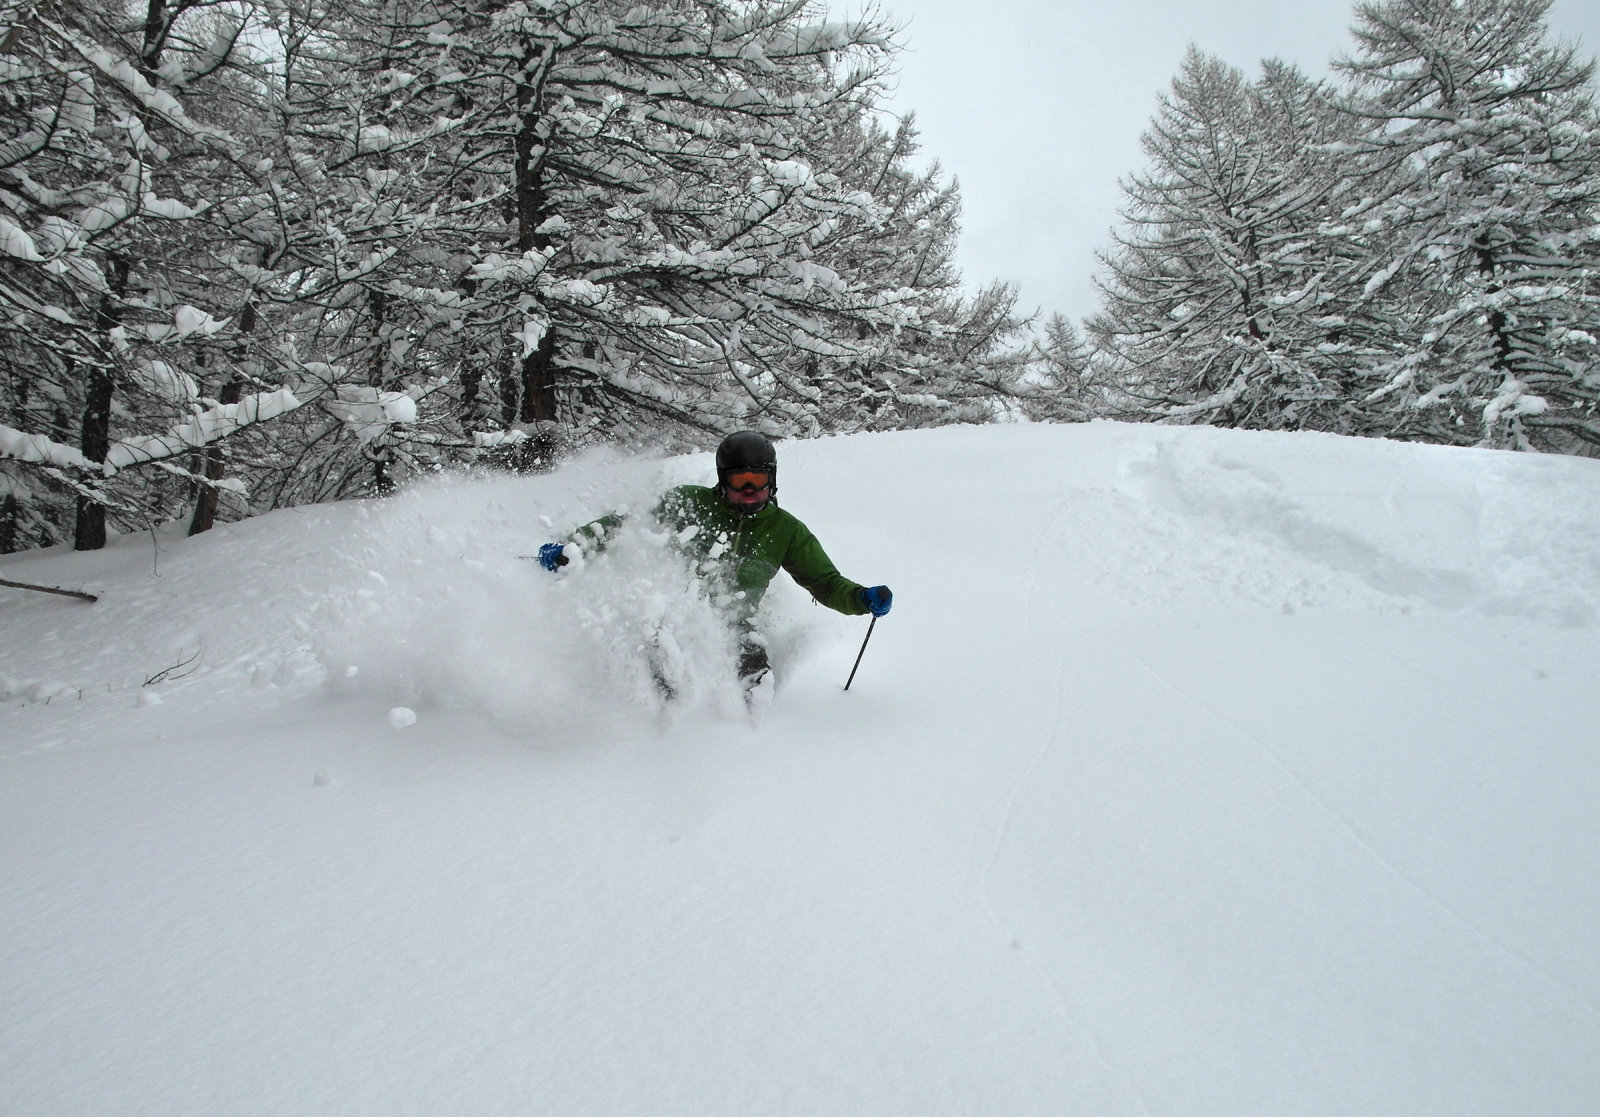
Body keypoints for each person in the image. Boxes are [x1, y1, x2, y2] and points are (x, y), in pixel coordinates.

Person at [536, 431, 892, 697]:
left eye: (759, 480)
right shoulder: (688, 503)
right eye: (741, 480)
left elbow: (826, 582)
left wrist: (861, 598)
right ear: (723, 479)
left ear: (773, 479)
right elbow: (623, 523)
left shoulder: (786, 531)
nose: (750, 489)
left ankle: (753, 755)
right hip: (676, 621)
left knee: (755, 686)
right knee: (667, 678)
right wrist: (574, 547)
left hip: (740, 630)